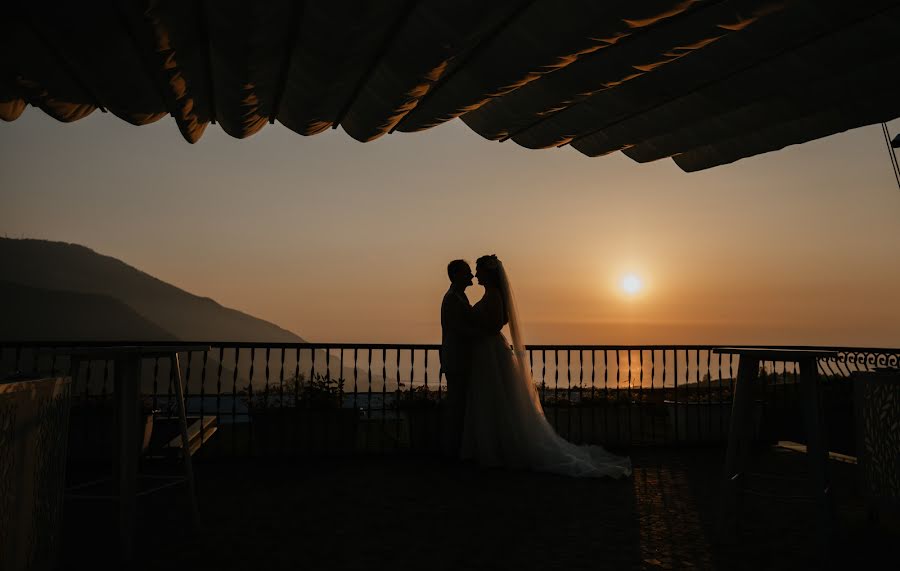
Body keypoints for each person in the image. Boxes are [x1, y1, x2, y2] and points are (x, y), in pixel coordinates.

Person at [461, 254, 632, 478]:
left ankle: (496, 450)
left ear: (488, 273)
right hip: (489, 352)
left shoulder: (493, 297)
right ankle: (492, 448)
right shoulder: (492, 295)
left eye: (479, 270)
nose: (476, 274)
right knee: (494, 399)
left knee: (495, 398)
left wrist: (470, 330)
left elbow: (492, 326)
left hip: (490, 352)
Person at [439, 259, 478, 457]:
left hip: (460, 357)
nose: (472, 276)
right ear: (455, 275)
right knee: (456, 405)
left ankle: (457, 447)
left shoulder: (458, 296)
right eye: (467, 272)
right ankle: (452, 450)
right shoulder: (453, 298)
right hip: (456, 359)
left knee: (461, 404)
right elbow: (458, 329)